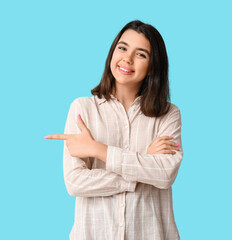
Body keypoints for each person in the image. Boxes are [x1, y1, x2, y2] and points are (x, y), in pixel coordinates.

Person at [45, 20, 183, 240]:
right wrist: (144, 165)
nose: (127, 59)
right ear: (112, 52)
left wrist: (99, 150)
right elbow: (75, 182)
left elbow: (165, 174)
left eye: (141, 54)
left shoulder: (168, 114)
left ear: (153, 67)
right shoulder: (82, 109)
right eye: (122, 48)